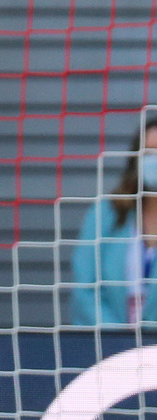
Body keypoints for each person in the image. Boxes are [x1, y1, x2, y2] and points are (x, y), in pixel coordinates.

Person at [70, 116, 157, 326]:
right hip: (108, 341)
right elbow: (85, 290)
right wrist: (117, 337)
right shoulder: (106, 214)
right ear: (136, 159)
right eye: (149, 153)